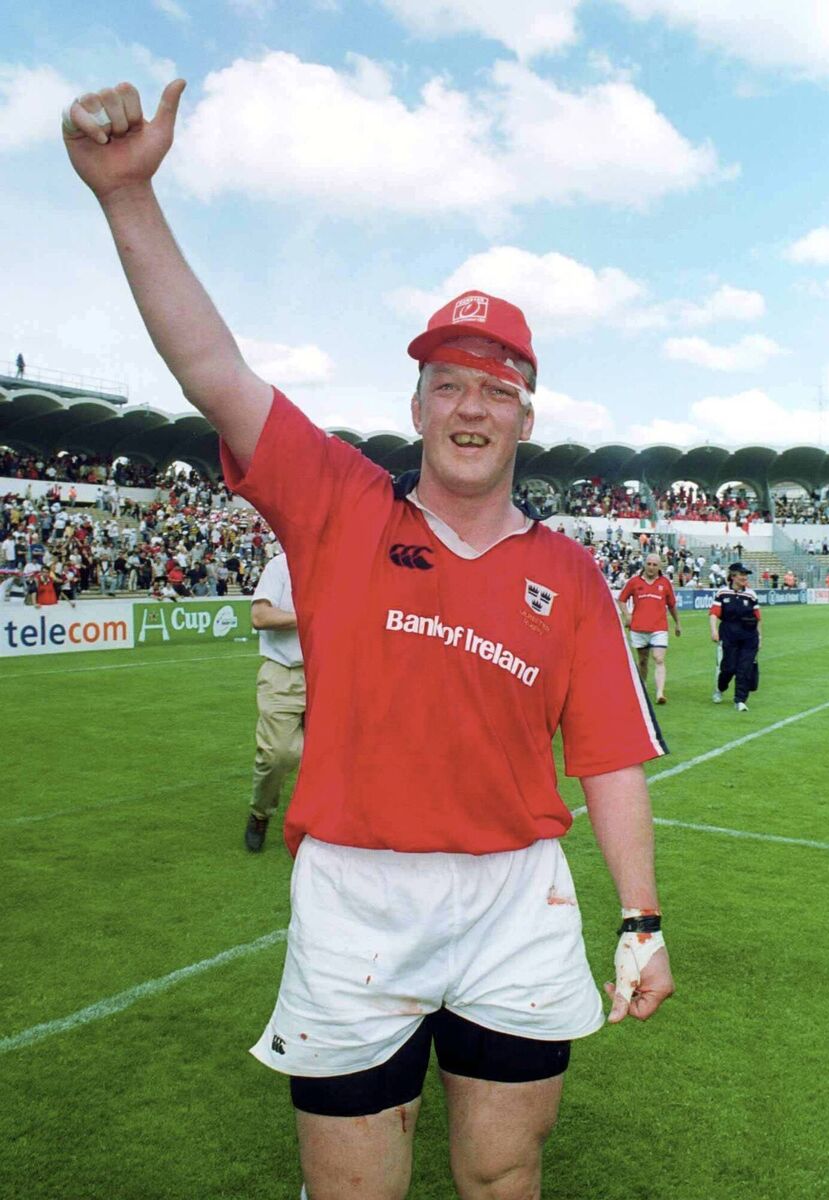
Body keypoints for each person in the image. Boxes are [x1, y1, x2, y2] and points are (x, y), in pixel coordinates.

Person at [62, 80, 674, 1200]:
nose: (472, 408)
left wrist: (640, 917)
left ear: (526, 416)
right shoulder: (339, 504)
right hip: (355, 896)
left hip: (515, 901)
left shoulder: (573, 577)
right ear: (420, 404)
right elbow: (215, 371)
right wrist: (128, 197)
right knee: (356, 1193)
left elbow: (610, 765)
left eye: (496, 389)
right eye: (450, 385)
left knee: (501, 1175)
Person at [244, 551, 306, 852]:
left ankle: (320, 823)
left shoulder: (344, 565)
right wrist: (310, 616)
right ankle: (260, 812)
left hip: (334, 672)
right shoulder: (282, 565)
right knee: (278, 755)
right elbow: (259, 616)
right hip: (286, 672)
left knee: (338, 756)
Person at [617, 551, 681, 704]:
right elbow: (621, 599)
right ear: (644, 565)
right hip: (638, 628)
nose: (651, 567)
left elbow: (671, 605)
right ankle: (642, 687)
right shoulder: (634, 582)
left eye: (654, 565)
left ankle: (660, 693)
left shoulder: (665, 583)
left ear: (659, 567)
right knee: (643, 661)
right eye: (649, 564)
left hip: (659, 629)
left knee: (658, 658)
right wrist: (627, 615)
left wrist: (677, 623)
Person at [710, 562, 762, 712]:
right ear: (733, 576)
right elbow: (714, 613)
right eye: (742, 574)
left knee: (744, 668)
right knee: (728, 667)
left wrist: (760, 637)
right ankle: (720, 688)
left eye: (746, 574)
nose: (745, 577)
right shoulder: (722, 593)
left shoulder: (751, 594)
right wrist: (714, 631)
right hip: (729, 635)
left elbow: (758, 618)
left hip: (749, 636)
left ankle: (740, 700)